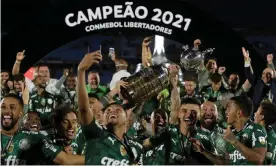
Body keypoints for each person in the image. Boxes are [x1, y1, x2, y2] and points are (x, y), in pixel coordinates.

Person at [77, 50, 143, 165]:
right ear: (102, 117)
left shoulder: (136, 146)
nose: (112, 111)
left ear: (126, 118)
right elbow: (86, 110)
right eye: (108, 111)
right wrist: (81, 70)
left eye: (118, 110)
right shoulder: (96, 134)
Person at [1, 93, 85, 165]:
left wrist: (96, 158)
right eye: (3, 107)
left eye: (12, 107)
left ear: (20, 114)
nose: (6, 111)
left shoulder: (36, 138)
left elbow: (65, 160)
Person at [191, 96, 267, 165]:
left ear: (239, 113)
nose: (226, 112)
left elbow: (259, 159)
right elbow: (225, 162)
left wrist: (235, 142)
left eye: (229, 108)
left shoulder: (256, 129)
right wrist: (204, 151)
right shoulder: (231, 134)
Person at [242, 48, 276, 116]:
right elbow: (250, 75)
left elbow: (273, 74)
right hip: (256, 114)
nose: (266, 76)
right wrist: (247, 60)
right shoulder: (258, 82)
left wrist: (270, 63)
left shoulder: (274, 84)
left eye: (268, 74)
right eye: (264, 73)